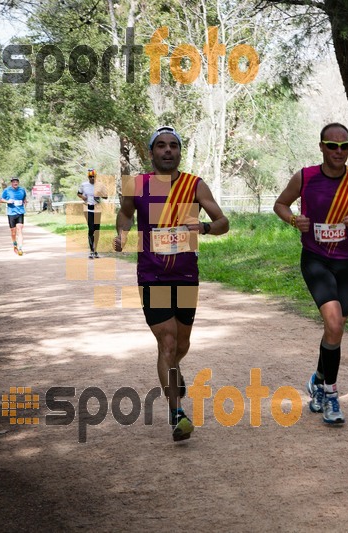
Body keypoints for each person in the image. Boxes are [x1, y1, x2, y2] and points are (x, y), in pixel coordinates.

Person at [113, 126, 229, 442]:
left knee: (180, 345)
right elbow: (125, 215)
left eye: (173, 146)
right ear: (151, 153)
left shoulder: (194, 185)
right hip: (152, 275)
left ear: (179, 152)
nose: (168, 150)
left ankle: (172, 372)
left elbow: (223, 223)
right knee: (166, 341)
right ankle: (177, 414)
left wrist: (202, 227)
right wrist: (121, 235)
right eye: (161, 146)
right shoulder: (136, 185)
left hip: (186, 275)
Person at [273, 122, 348, 424]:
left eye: (344, 146)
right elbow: (280, 204)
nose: (339, 151)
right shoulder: (306, 177)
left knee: (336, 329)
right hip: (316, 259)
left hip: (347, 261)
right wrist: (294, 220)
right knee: (334, 323)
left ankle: (319, 379)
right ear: (321, 147)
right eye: (332, 145)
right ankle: (331, 396)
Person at [78, 168, 108, 258]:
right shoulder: (84, 185)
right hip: (88, 208)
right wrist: (83, 197)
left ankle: (96, 250)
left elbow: (106, 196)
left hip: (97, 209)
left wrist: (100, 195)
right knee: (91, 228)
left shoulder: (100, 185)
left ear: (96, 176)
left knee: (97, 230)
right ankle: (91, 250)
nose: (92, 178)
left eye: (93, 176)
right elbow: (79, 193)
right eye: (90, 177)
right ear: (88, 177)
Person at [1, 177, 28, 255]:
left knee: (19, 229)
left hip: (20, 212)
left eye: (16, 182)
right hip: (11, 213)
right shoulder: (7, 190)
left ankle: (20, 248)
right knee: (13, 232)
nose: (15, 183)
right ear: (11, 183)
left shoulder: (22, 190)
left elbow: (24, 198)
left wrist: (25, 201)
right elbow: (1, 199)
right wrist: (7, 201)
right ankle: (15, 245)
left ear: (18, 183)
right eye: (13, 182)